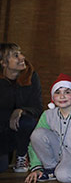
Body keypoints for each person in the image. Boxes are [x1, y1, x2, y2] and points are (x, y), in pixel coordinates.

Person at [0, 44, 42, 174]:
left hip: (20, 129)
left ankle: (22, 156)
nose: (22, 57)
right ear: (3, 63)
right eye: (15, 56)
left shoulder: (31, 76)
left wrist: (20, 110)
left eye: (21, 54)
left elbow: (38, 108)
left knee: (27, 120)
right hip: (2, 128)